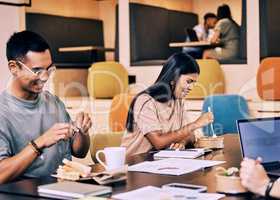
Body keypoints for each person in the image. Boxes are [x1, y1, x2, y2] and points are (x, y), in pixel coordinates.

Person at [0, 31, 92, 183]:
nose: (45, 77)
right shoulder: (3, 112)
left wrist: (82, 132)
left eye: (49, 69)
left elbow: (79, 152)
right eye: (37, 71)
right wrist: (40, 143)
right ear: (14, 67)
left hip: (61, 189)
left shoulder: (53, 102)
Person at [121, 53, 213, 156]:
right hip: (133, 164)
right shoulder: (145, 101)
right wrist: (195, 124)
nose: (191, 87)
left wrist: (182, 142)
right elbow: (159, 142)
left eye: (194, 83)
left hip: (158, 163)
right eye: (189, 81)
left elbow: (190, 135)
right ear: (174, 78)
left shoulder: (178, 101)